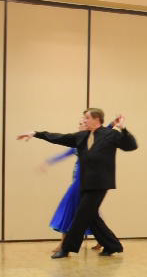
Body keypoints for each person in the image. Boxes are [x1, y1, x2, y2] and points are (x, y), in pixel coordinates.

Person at [17, 108, 137, 259]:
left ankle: (66, 248)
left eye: (87, 118)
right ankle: (112, 245)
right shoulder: (82, 136)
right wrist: (36, 134)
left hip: (100, 183)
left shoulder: (110, 134)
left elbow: (131, 146)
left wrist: (123, 129)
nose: (84, 120)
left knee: (81, 216)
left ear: (96, 119)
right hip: (84, 183)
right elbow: (59, 137)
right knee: (91, 217)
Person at [41, 119, 100, 253]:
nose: (80, 124)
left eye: (83, 123)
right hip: (77, 180)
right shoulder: (78, 141)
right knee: (88, 213)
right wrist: (49, 161)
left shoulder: (95, 139)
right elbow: (64, 154)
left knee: (69, 210)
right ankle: (102, 240)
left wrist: (113, 123)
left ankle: (63, 244)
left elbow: (105, 130)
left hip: (83, 181)